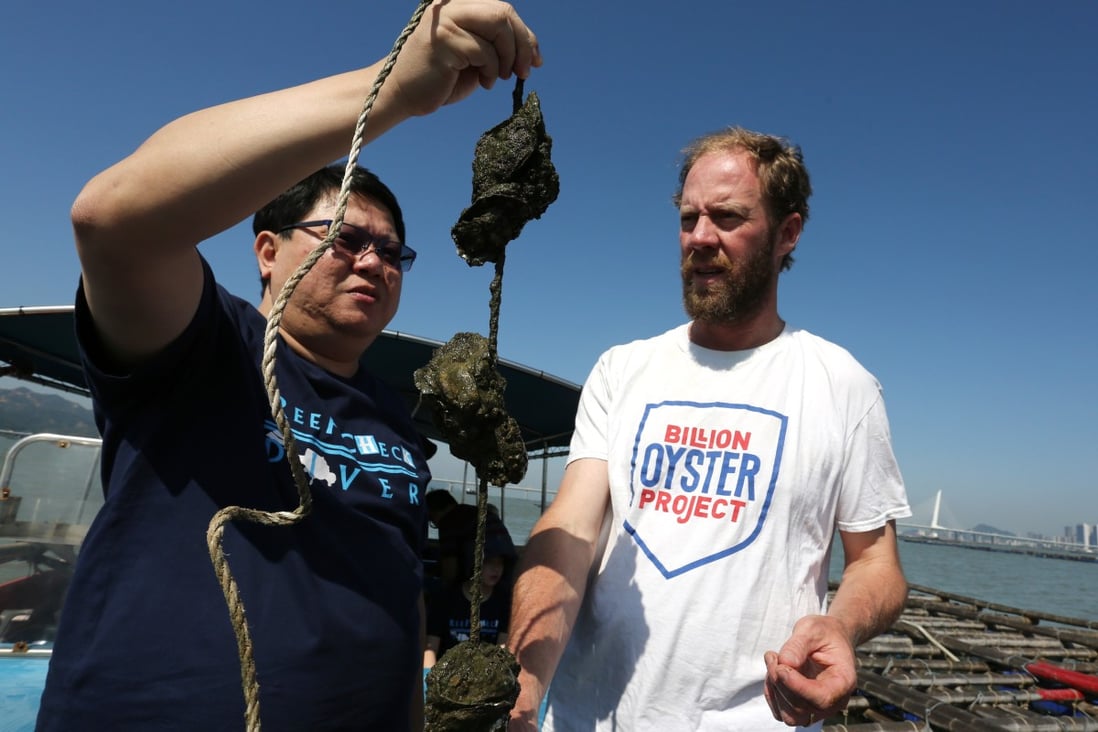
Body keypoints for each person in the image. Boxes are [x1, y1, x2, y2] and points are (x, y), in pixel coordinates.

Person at [36, 3, 541, 731]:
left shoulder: (394, 418)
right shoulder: (205, 348)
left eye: (393, 252)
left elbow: (399, 594)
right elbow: (115, 221)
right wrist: (387, 88)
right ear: (267, 250)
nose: (374, 261)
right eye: (342, 236)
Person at [507, 127, 911, 731]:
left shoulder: (842, 385)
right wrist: (525, 682)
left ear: (788, 233)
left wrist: (841, 626)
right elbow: (571, 528)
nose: (699, 237)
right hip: (591, 717)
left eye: (727, 217)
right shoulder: (623, 369)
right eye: (688, 217)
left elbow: (876, 563)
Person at [423, 550, 513, 669]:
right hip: (447, 671)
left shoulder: (504, 602)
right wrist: (428, 679)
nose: (496, 568)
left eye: (500, 563)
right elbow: (430, 648)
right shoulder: (445, 599)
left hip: (485, 674)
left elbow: (501, 651)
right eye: (488, 562)